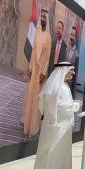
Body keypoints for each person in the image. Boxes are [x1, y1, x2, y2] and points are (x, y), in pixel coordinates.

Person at [29, 63, 80, 169]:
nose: (73, 73)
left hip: (60, 126)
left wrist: (73, 104)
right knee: (48, 153)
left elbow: (62, 104)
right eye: (71, 70)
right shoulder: (56, 87)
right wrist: (76, 105)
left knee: (55, 153)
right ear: (63, 71)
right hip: (55, 126)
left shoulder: (62, 86)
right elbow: (59, 107)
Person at [22, 8, 52, 138]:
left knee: (37, 101)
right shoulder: (37, 32)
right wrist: (30, 68)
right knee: (30, 98)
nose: (43, 19)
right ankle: (27, 126)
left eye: (45, 17)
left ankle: (33, 127)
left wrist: (43, 73)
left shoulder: (48, 37)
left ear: (47, 19)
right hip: (33, 71)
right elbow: (34, 50)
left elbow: (48, 56)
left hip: (40, 74)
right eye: (42, 17)